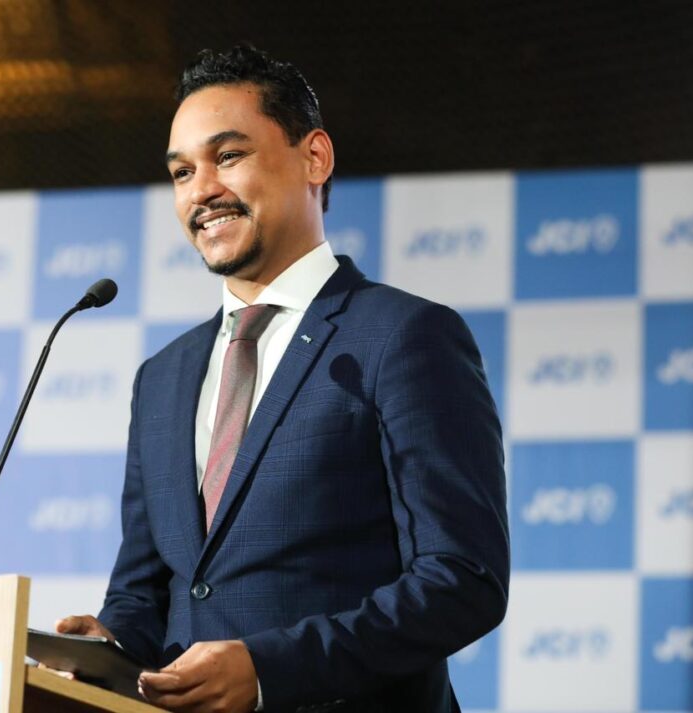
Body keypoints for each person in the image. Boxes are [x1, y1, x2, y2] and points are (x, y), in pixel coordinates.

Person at [53, 45, 509, 712]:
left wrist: (269, 669)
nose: (201, 190)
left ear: (314, 158)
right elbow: (144, 593)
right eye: (182, 172)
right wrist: (112, 643)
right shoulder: (162, 378)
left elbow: (463, 579)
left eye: (228, 155)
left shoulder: (404, 336)